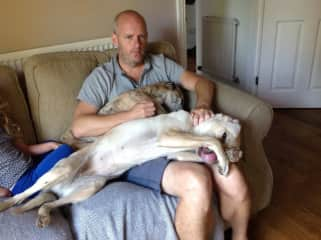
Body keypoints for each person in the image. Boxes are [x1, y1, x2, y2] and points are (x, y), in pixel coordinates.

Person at [71, 10, 250, 240]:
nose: (137, 44)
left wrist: (203, 104)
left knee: (235, 180)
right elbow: (79, 126)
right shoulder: (102, 77)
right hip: (139, 154)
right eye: (129, 37)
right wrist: (129, 115)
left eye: (142, 37)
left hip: (180, 139)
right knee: (196, 181)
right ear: (115, 39)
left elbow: (202, 83)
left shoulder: (160, 64)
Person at [0, 104, 74, 198]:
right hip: (22, 185)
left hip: (31, 165)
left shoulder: (2, 129)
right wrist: (2, 192)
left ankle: (55, 177)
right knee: (65, 150)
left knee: (52, 144)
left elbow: (26, 150)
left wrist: (51, 145)